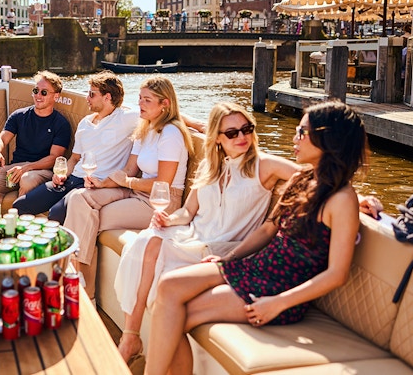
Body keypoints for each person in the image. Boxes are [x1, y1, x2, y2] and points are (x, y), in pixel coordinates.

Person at [145, 100, 367, 375]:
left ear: (327, 139)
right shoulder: (302, 180)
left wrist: (278, 303)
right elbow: (268, 229)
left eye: (302, 132)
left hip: (279, 288)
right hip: (257, 266)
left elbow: (337, 274)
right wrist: (228, 258)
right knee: (168, 286)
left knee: (180, 315)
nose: (294, 138)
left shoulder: (342, 199)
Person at [113, 102, 298, 363]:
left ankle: (131, 340)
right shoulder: (210, 166)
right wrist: (168, 219)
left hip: (225, 247)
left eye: (247, 129)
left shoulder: (264, 165)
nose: (242, 137)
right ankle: (131, 336)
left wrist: (351, 201)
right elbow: (187, 212)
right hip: (194, 235)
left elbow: (311, 176)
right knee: (147, 239)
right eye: (232, 133)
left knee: (154, 262)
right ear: (217, 138)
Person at [62, 75, 192, 298]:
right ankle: (76, 274)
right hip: (137, 192)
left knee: (88, 218)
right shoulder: (145, 128)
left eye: (147, 100)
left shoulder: (171, 134)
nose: (140, 103)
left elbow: (162, 184)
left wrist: (127, 183)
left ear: (165, 104)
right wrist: (103, 183)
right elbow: (130, 169)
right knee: (78, 198)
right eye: (140, 98)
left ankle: (81, 287)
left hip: (161, 202)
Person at [11, 71, 137, 223]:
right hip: (72, 179)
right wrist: (62, 175)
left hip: (96, 184)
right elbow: (75, 158)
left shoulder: (125, 119)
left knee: (56, 214)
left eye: (92, 94)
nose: (87, 98)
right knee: (19, 206)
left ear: (107, 97)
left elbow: (154, 114)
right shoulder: (85, 123)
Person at [0, 70, 72, 216]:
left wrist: (27, 168)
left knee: (27, 180)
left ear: (56, 96)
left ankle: (19, 226)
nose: (38, 95)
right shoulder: (19, 116)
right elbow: (2, 139)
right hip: (16, 170)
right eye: (35, 90)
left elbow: (54, 158)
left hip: (40, 171)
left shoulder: (61, 124)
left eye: (44, 92)